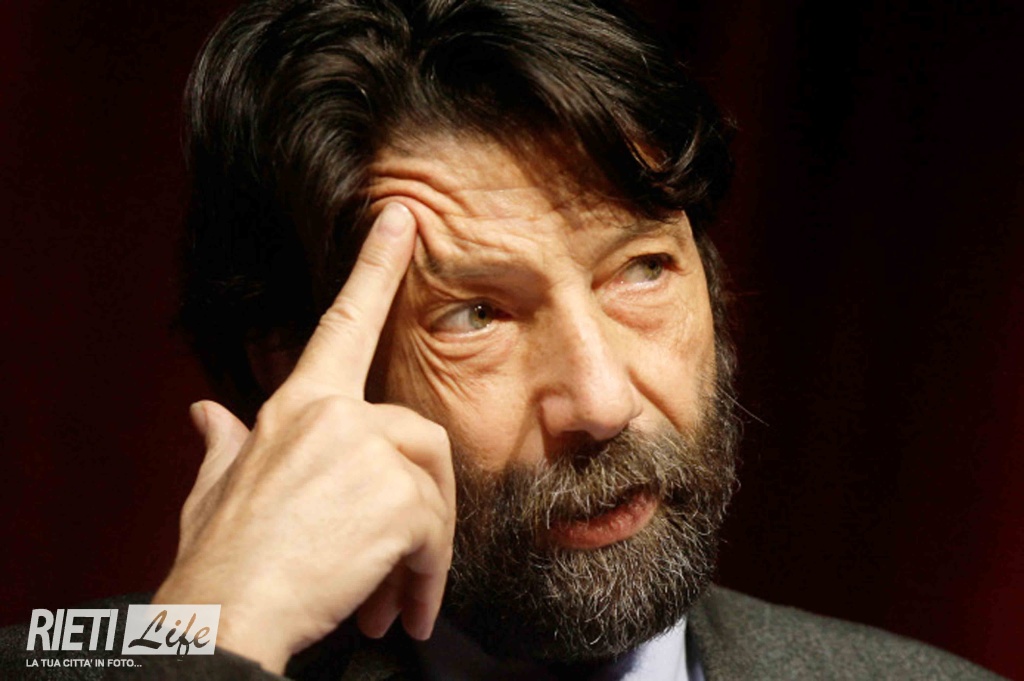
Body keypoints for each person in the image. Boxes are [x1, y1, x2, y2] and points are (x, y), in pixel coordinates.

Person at [0, 0, 1004, 679]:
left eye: (641, 270)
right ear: (295, 366)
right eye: (476, 313)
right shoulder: (64, 661)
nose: (602, 401)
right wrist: (214, 625)